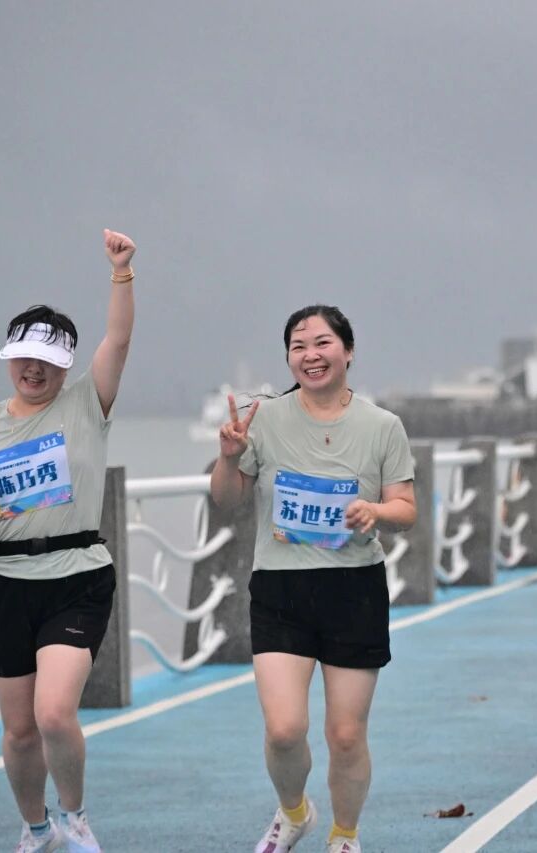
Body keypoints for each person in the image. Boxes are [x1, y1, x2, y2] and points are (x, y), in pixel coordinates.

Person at [0, 229, 136, 853]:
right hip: (7, 582)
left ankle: (75, 817)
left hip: (78, 576)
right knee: (20, 731)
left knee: (54, 714)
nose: (33, 369)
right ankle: (36, 828)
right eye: (24, 357)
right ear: (9, 357)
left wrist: (121, 272)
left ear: (66, 364)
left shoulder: (87, 403)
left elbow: (118, 340)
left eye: (48, 361)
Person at [210, 305, 416, 853]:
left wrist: (375, 510)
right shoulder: (262, 418)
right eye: (298, 346)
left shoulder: (382, 426)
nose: (310, 355)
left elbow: (406, 508)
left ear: (348, 351)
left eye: (322, 343)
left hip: (354, 589)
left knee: (345, 735)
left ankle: (344, 835)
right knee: (284, 730)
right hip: (281, 589)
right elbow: (227, 501)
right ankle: (294, 812)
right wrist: (228, 458)